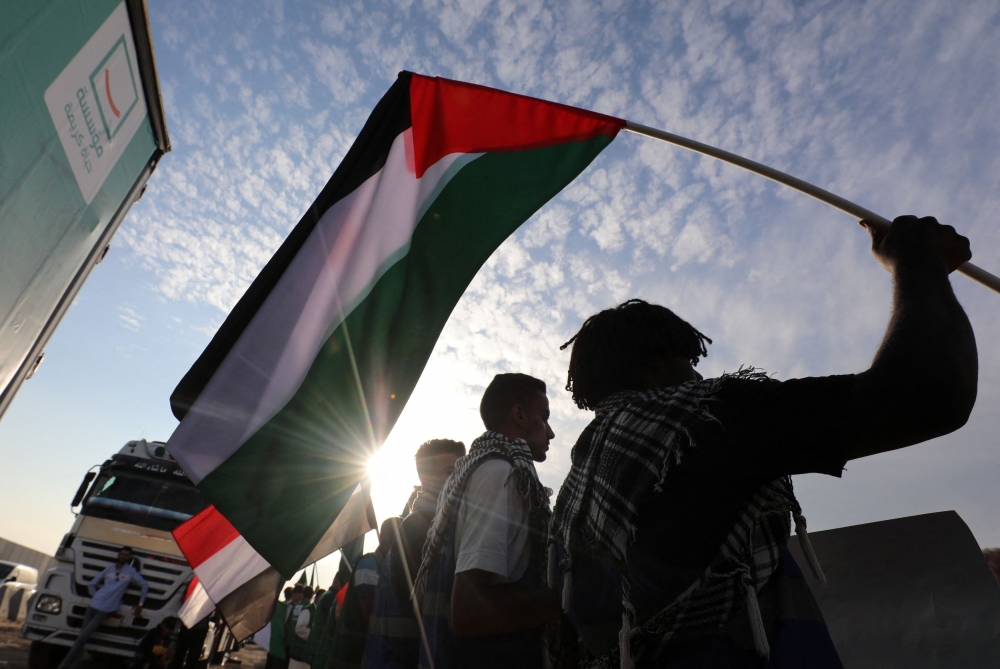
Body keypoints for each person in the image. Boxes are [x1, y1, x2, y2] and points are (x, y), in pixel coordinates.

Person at [549, 215, 978, 668]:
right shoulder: (703, 418)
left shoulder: (575, 494)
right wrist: (916, 261)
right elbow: (927, 394)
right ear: (654, 365)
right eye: (688, 360)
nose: (696, 375)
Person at [416, 373, 563, 669]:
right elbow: (469, 614)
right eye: (544, 417)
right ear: (519, 415)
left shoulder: (479, 470)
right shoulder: (499, 473)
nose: (551, 433)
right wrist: (568, 597)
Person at [364, 439, 466, 668]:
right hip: (403, 658)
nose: (461, 479)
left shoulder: (433, 524)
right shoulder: (422, 526)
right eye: (451, 471)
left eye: (463, 470)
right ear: (425, 477)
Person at [58, 545, 149, 669]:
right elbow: (92, 583)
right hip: (93, 605)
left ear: (129, 558)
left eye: (126, 555)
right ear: (118, 555)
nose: (123, 557)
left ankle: (63, 665)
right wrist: (96, 595)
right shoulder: (109, 569)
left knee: (83, 636)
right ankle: (73, 665)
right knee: (82, 638)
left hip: (105, 609)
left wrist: (140, 604)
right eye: (122, 554)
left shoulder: (130, 571)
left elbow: (144, 585)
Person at [328, 518, 400, 669]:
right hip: (350, 657)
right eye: (398, 535)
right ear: (384, 537)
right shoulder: (368, 563)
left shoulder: (385, 566)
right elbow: (370, 609)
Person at [264, 589, 294, 669]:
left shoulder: (278, 606)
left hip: (273, 635)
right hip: (283, 638)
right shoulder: (289, 607)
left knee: (271, 658)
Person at [288, 585, 316, 668]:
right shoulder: (309, 609)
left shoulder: (295, 605)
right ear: (312, 596)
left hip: (290, 640)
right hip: (300, 647)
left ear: (303, 594)